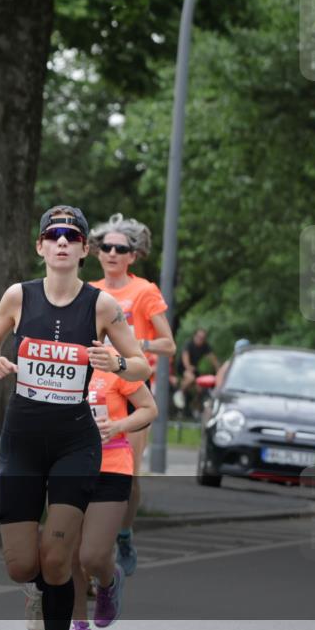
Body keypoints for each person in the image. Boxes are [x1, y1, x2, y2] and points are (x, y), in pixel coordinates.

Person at [0, 205, 150, 630]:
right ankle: (37, 592)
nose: (61, 242)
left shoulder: (102, 305)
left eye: (71, 237)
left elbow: (139, 366)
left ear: (83, 250)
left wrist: (115, 361)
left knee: (58, 559)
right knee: (21, 564)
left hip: (75, 443)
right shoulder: (19, 295)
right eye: (53, 235)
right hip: (22, 440)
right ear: (40, 246)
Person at [88, 213, 175, 577]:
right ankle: (93, 557)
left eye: (119, 248)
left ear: (133, 255)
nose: (111, 253)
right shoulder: (88, 291)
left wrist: (133, 344)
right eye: (105, 246)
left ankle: (122, 534)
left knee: (127, 474)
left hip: (132, 386)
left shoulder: (144, 291)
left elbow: (168, 344)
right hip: (94, 385)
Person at [67, 359, 158, 630]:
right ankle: (78, 626)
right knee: (68, 552)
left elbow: (149, 408)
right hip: (66, 465)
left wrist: (118, 425)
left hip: (111, 465)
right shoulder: (58, 358)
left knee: (92, 556)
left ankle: (108, 580)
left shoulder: (112, 362)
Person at [175, 328, 220, 408]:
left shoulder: (205, 346)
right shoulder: (189, 344)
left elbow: (213, 359)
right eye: (199, 337)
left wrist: (218, 370)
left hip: (194, 369)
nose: (200, 340)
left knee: (201, 388)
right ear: (194, 336)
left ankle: (194, 406)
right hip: (183, 368)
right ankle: (179, 392)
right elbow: (185, 357)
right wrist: (188, 367)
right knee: (191, 378)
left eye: (202, 338)